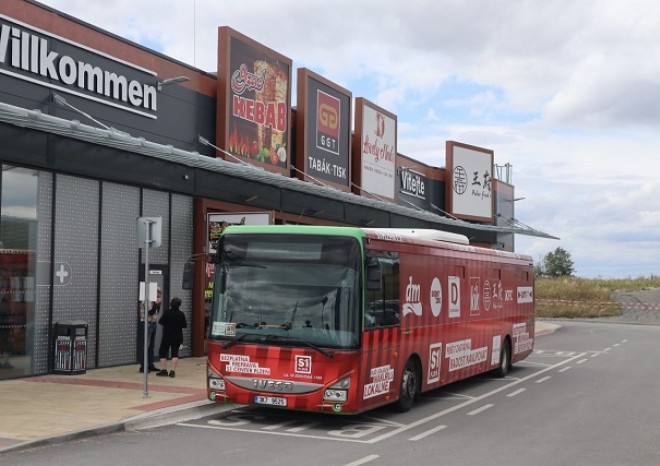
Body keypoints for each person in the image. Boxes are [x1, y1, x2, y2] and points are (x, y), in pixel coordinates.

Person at [156, 297, 187, 378]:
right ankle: (172, 371)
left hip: (167, 335)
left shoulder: (167, 313)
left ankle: (164, 370)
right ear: (179, 305)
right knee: (175, 353)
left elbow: (161, 322)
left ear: (171, 304)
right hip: (177, 336)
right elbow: (184, 325)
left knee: (162, 352)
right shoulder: (181, 314)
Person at [138, 288, 161, 373]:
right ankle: (143, 366)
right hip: (147, 324)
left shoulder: (153, 301)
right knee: (145, 346)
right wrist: (156, 304)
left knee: (151, 346)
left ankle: (150, 364)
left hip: (153, 323)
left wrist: (158, 304)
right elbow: (150, 312)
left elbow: (156, 312)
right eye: (158, 293)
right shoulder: (146, 300)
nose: (159, 295)